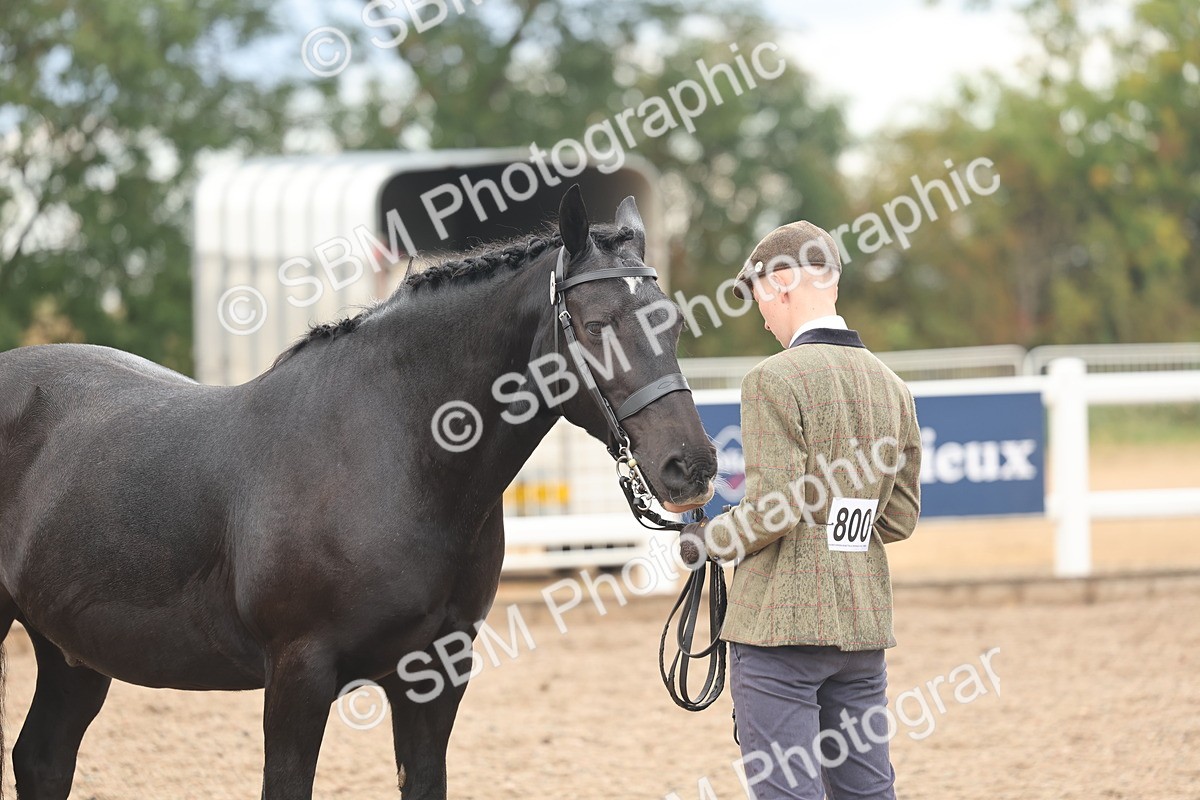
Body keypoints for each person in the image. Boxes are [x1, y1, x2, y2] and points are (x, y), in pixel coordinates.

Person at [679, 221, 922, 799]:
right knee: (867, 791)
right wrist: (838, 528)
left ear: (783, 282)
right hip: (861, 625)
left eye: (760, 293)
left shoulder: (773, 379)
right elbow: (899, 518)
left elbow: (774, 511)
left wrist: (706, 540)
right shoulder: (893, 387)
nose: (761, 313)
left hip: (779, 632)